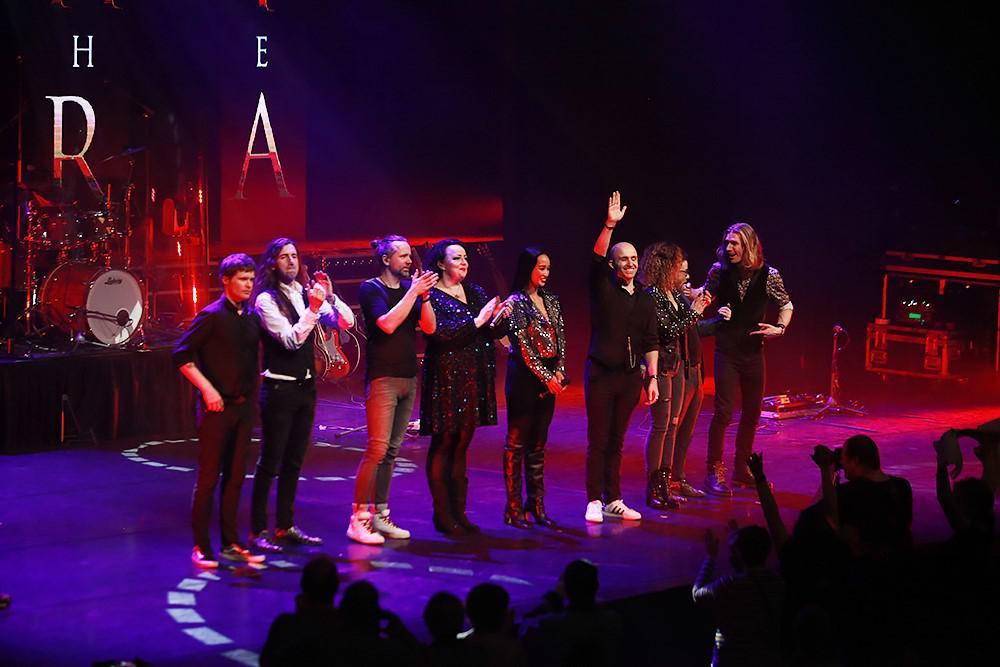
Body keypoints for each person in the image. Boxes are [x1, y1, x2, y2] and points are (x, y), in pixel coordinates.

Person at [249, 238, 355, 553]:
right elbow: (290, 340)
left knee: (294, 460)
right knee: (271, 461)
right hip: (279, 388)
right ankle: (258, 530)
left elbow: (346, 322)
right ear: (273, 263)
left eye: (295, 255)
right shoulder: (266, 300)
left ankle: (286, 525)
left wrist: (330, 297)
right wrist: (313, 309)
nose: (291, 261)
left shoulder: (303, 292)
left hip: (305, 387)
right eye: (284, 256)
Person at [173, 253, 266, 568]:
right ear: (226, 280)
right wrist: (207, 389)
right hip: (216, 410)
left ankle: (231, 542)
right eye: (242, 279)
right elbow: (181, 355)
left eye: (251, 279)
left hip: (244, 408)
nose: (248, 285)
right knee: (209, 478)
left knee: (236, 477)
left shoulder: (252, 317)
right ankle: (201, 545)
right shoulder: (211, 316)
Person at [348, 235, 438, 545]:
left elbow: (429, 328)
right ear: (386, 260)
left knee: (391, 451)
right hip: (383, 378)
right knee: (376, 449)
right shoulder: (370, 289)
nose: (409, 261)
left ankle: (381, 514)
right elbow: (387, 324)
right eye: (403, 256)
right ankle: (358, 519)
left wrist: (424, 296)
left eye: (410, 256)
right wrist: (413, 292)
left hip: (408, 377)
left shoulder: (411, 290)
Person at [699, 222, 792, 495]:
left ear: (748, 245)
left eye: (734, 243)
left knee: (752, 412)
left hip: (753, 353)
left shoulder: (769, 275)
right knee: (724, 412)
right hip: (727, 352)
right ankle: (714, 470)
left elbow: (786, 305)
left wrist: (780, 328)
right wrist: (689, 294)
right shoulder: (719, 271)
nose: (729, 248)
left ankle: (742, 467)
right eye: (727, 242)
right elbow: (703, 298)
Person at [420, 238, 505, 535]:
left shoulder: (475, 291)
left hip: (473, 375)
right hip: (446, 377)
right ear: (441, 264)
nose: (464, 262)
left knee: (462, 444)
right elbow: (440, 335)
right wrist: (478, 321)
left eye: (465, 257)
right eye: (457, 258)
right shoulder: (431, 296)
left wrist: (499, 319)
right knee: (445, 442)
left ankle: (460, 513)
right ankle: (442, 515)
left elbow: (490, 331)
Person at [584, 191, 659, 523]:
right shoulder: (603, 288)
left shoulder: (644, 298)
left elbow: (651, 340)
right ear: (614, 265)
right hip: (601, 373)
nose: (630, 263)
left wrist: (652, 377)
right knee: (598, 440)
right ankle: (593, 499)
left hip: (630, 377)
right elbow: (596, 259)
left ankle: (613, 499)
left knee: (617, 441)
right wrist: (609, 225)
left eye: (633, 258)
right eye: (623, 259)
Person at [638, 242, 710, 510]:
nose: (684, 274)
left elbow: (686, 328)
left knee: (672, 426)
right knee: (661, 426)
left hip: (677, 366)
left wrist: (696, 308)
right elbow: (667, 332)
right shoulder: (652, 296)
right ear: (666, 267)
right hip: (661, 367)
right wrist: (694, 312)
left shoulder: (673, 295)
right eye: (680, 268)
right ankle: (653, 488)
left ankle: (666, 485)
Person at [499, 248, 567, 528]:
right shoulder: (516, 302)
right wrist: (546, 376)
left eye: (548, 268)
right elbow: (523, 347)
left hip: (548, 379)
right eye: (541, 267)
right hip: (524, 380)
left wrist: (559, 369)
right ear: (528, 268)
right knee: (516, 444)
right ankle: (513, 508)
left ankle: (536, 504)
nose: (546, 273)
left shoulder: (551, 300)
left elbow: (560, 335)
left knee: (538, 444)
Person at [692, 524, 785, 667]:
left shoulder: (729, 584)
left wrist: (711, 557)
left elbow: (697, 594)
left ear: (739, 553)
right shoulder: (779, 582)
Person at [260, 555, 341, 666]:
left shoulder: (285, 625)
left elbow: (266, 661)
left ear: (303, 584)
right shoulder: (346, 627)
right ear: (336, 586)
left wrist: (301, 614)